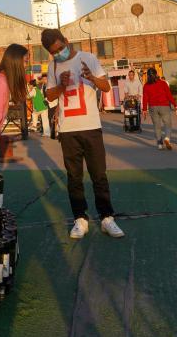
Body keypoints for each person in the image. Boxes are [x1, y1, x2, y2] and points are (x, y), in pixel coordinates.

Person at [42, 28, 124, 239]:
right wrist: (61, 85)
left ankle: (107, 218)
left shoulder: (88, 58)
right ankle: (80, 219)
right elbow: (49, 96)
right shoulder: (53, 66)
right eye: (53, 52)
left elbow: (106, 87)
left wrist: (92, 78)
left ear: (66, 41)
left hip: (91, 126)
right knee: (74, 177)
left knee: (99, 175)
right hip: (68, 129)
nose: (58, 53)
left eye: (60, 48)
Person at [141, 68, 177, 150]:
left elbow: (145, 98)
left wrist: (144, 109)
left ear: (147, 76)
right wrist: (175, 105)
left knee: (157, 126)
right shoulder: (163, 83)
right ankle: (167, 138)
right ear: (156, 74)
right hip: (164, 106)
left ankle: (160, 144)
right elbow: (169, 95)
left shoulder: (146, 86)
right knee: (167, 123)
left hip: (153, 107)